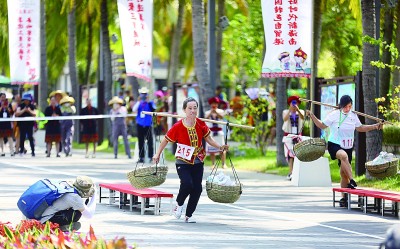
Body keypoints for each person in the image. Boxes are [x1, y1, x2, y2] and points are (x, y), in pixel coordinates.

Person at [152, 97, 229, 223]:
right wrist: (157, 154)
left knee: (197, 188)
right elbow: (165, 140)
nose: (193, 111)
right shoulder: (177, 126)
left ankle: (189, 214)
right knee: (187, 184)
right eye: (190, 108)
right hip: (183, 162)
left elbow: (208, 139)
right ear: (184, 110)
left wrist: (220, 147)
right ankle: (179, 204)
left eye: (195, 108)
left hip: (198, 160)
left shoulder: (201, 123)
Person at [307, 95, 382, 206]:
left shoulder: (353, 115)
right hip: (335, 144)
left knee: (343, 173)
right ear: (341, 106)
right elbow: (322, 125)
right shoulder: (334, 115)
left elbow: (360, 128)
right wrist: (312, 116)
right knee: (343, 156)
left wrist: (375, 126)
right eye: (346, 107)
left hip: (348, 146)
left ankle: (344, 198)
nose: (348, 109)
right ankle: (352, 180)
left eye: (350, 106)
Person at [282, 96, 305, 181]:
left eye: (296, 103)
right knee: (290, 155)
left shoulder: (301, 112)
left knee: (297, 155)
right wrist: (290, 110)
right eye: (293, 103)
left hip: (298, 135)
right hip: (288, 136)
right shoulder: (285, 112)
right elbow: (285, 119)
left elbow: (303, 117)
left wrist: (297, 109)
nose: (294, 105)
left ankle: (296, 173)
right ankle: (291, 172)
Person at [133, 87, 156, 163]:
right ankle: (141, 157)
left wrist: (148, 101)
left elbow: (153, 109)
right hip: (140, 124)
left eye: (144, 94)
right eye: (142, 94)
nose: (143, 95)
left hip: (148, 124)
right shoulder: (139, 103)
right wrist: (138, 101)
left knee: (150, 141)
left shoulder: (150, 102)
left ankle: (150, 157)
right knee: (140, 141)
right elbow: (134, 109)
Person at [205, 97, 227, 168]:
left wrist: (216, 112)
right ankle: (213, 164)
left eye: (215, 103)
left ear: (217, 104)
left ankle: (223, 164)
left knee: (222, 148)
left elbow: (221, 117)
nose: (214, 105)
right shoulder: (207, 112)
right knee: (212, 150)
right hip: (211, 132)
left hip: (219, 132)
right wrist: (211, 112)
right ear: (210, 104)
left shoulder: (221, 111)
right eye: (212, 104)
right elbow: (206, 119)